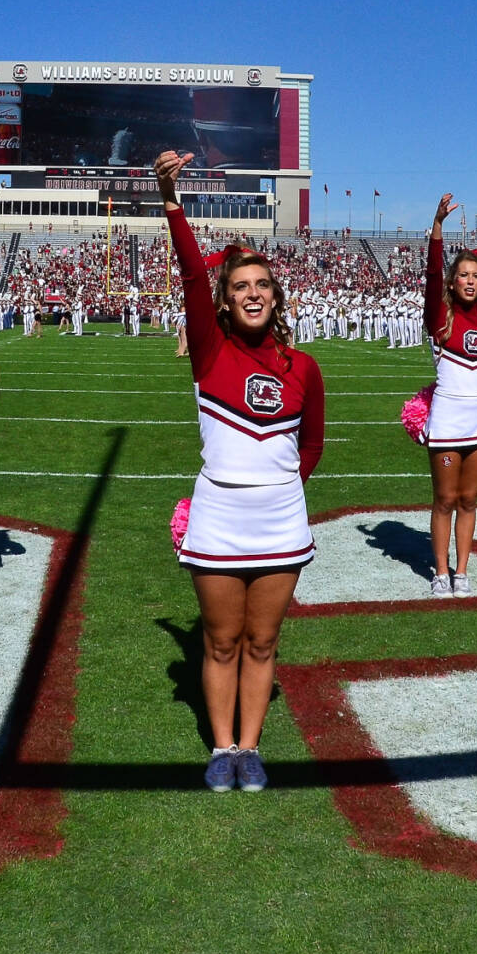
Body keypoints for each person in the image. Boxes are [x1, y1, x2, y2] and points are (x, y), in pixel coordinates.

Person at [154, 151, 325, 793]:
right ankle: (220, 747)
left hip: (280, 518)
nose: (252, 293)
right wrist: (172, 200)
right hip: (220, 514)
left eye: (262, 285)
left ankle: (250, 749)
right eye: (239, 287)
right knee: (221, 641)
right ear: (226, 302)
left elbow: (312, 445)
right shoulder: (210, 352)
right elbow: (193, 280)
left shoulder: (303, 367)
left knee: (263, 643)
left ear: (275, 296)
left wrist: (281, 489)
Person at [421, 193, 477, 597]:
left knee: (470, 500)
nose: (470, 281)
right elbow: (432, 277)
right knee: (445, 499)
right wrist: (437, 226)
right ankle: (440, 571)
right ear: (454, 282)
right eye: (463, 275)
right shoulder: (440, 318)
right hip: (447, 422)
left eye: (476, 275)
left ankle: (462, 570)